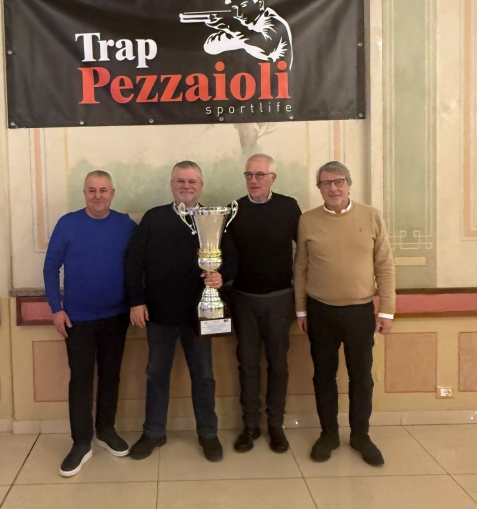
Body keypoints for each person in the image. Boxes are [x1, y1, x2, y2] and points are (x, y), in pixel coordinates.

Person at [125, 160, 236, 462]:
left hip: (200, 316)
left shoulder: (214, 218)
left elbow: (232, 260)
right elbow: (134, 262)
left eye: (192, 181)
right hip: (159, 315)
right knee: (156, 375)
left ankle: (208, 434)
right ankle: (153, 433)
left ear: (201, 185)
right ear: (172, 185)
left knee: (204, 377)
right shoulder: (154, 218)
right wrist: (136, 301)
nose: (187, 186)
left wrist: (221, 276)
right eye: (181, 181)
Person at [294, 161, 395, 466]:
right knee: (324, 376)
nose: (333, 188)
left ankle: (361, 435)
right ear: (319, 188)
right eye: (326, 183)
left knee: (361, 377)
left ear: (349, 184)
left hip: (360, 311)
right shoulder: (308, 220)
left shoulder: (371, 216)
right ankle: (329, 434)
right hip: (320, 311)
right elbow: (301, 267)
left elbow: (385, 265)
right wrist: (301, 309)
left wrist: (387, 310)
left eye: (339, 181)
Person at [43, 170, 136, 477]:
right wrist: (56, 309)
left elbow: (142, 261)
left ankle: (106, 430)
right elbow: (50, 266)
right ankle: (81, 442)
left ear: (112, 193)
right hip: (77, 320)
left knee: (110, 376)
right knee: (81, 380)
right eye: (92, 190)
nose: (98, 196)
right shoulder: (68, 223)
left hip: (116, 317)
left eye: (103, 190)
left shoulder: (125, 225)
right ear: (84, 193)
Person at [227, 154, 301, 454]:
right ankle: (250, 426)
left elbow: (305, 251)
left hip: (280, 300)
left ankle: (275, 426)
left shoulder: (289, 207)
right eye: (249, 175)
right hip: (243, 299)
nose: (254, 180)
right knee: (247, 365)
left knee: (278, 365)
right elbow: (227, 257)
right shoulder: (234, 209)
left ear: (273, 178)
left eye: (260, 175)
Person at [202, 0, 293, 66]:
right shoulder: (243, 26)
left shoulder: (273, 22)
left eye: (243, 5)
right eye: (235, 7)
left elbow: (266, 46)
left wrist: (231, 26)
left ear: (259, 3)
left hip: (274, 75)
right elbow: (210, 47)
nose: (238, 13)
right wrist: (229, 28)